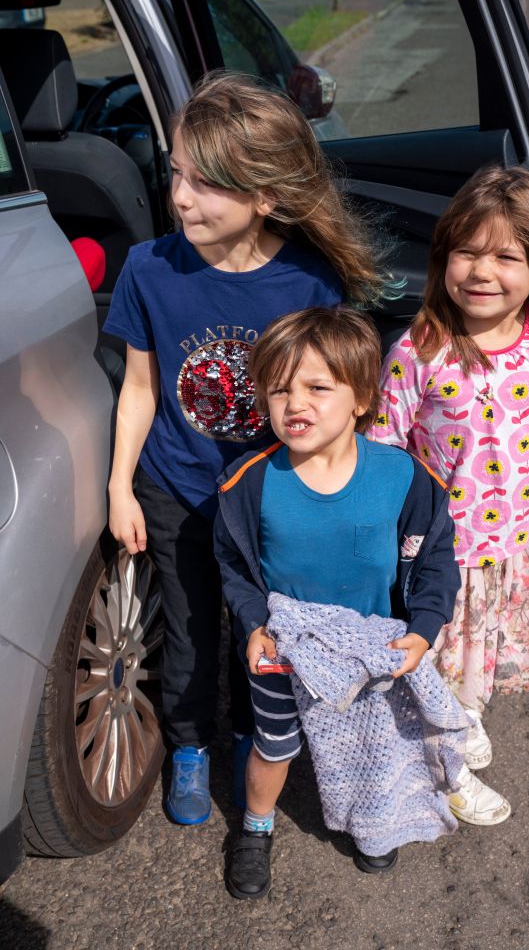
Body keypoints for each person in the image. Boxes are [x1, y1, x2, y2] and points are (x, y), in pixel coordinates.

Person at [103, 70, 389, 825]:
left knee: (262, 628)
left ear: (265, 196)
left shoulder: (309, 281)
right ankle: (190, 745)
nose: (182, 197)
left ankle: (247, 734)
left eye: (207, 185)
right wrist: (120, 487)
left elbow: (332, 405)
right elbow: (140, 388)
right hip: (178, 487)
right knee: (193, 627)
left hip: (271, 496)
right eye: (177, 174)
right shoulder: (149, 270)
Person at [213, 306, 468, 900]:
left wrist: (424, 628)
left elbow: (435, 560)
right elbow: (235, 567)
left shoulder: (403, 476)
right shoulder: (248, 482)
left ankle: (374, 827)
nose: (294, 403)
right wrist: (253, 624)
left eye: (316, 388)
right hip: (287, 645)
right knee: (275, 744)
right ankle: (255, 826)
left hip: (370, 648)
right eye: (278, 390)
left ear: (361, 398)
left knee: (374, 740)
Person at [371, 165, 529, 822]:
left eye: (506, 256)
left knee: (478, 657)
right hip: (441, 553)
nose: (481, 270)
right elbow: (384, 450)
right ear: (444, 254)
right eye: (467, 251)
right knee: (433, 665)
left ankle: (464, 717)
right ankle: (443, 772)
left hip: (509, 546)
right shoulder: (420, 351)